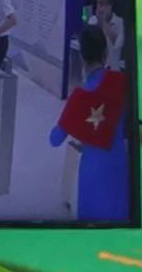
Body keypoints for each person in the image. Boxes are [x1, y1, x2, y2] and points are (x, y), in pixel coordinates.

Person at [49, 26, 131, 221]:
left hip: (92, 177)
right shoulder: (122, 81)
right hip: (120, 169)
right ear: (105, 53)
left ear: (82, 57)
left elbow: (54, 139)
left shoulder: (78, 99)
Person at [91, 0, 127, 70]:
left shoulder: (120, 23)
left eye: (102, 4)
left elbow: (118, 46)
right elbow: (91, 46)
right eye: (97, 3)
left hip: (113, 72)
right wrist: (99, 23)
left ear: (110, 5)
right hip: (96, 71)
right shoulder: (92, 21)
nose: (98, 8)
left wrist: (104, 22)